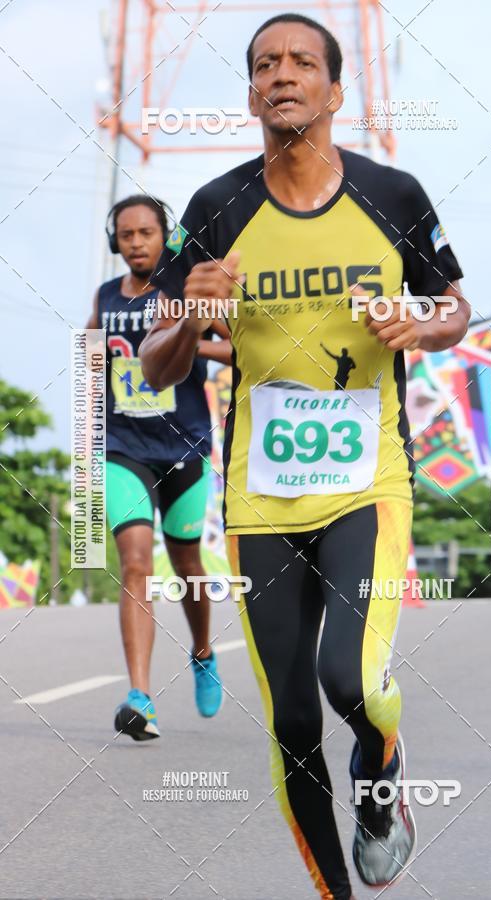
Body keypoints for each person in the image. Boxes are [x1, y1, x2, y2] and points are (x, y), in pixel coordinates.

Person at [140, 14, 470, 898]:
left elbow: (456, 309)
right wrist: (187, 313)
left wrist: (422, 323)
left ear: (334, 90)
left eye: (301, 63)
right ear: (251, 93)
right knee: (290, 724)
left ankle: (380, 778)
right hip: (260, 502)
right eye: (264, 65)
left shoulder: (394, 195)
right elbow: (155, 361)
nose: (281, 74)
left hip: (370, 483)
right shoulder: (213, 210)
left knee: (350, 681)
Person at [87, 194, 231, 741]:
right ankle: (140, 697)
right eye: (127, 235)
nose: (137, 243)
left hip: (184, 448)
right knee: (136, 565)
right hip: (123, 447)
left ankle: (201, 653)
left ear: (162, 235)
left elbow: (236, 350)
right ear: (116, 242)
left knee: (188, 565)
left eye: (147, 233)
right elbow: (89, 360)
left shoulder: (184, 291)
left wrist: (187, 338)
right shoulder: (104, 299)